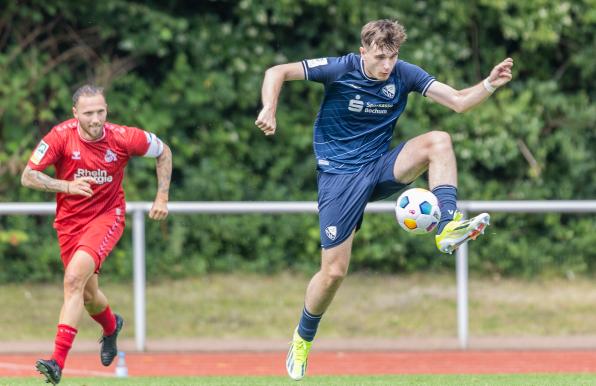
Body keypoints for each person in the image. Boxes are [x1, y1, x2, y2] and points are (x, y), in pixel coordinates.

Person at [255, 19, 513, 380]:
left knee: (439, 140)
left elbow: (457, 101)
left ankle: (447, 226)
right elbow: (276, 71)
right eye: (379, 57)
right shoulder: (339, 68)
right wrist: (269, 108)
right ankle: (302, 338)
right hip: (339, 178)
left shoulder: (404, 74)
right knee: (333, 273)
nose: (387, 65)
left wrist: (489, 83)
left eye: (392, 57)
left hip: (379, 167)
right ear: (363, 52)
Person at [21, 85, 172, 385]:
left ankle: (56, 362)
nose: (96, 118)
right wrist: (66, 186)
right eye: (88, 112)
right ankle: (111, 326)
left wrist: (162, 197)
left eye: (100, 111)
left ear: (107, 110)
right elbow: (28, 176)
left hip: (107, 216)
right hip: (69, 223)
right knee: (88, 295)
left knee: (73, 279)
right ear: (75, 113)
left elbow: (164, 151)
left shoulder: (124, 137)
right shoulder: (60, 136)